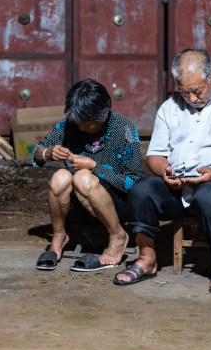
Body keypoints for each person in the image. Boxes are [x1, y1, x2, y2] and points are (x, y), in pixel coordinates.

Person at [114, 49, 211, 293]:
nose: (191, 98)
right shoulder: (169, 108)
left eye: (197, 91)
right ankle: (146, 259)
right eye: (184, 91)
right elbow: (155, 155)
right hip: (179, 186)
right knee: (141, 190)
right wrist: (166, 172)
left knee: (208, 196)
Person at [32, 79, 141, 272]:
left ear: (103, 115)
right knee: (60, 177)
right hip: (77, 206)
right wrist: (48, 153)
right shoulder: (70, 125)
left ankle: (118, 235)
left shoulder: (124, 129)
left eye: (85, 123)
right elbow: (37, 152)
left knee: (82, 177)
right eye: (77, 121)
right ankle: (59, 236)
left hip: (116, 205)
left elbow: (132, 183)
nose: (80, 127)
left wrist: (95, 166)